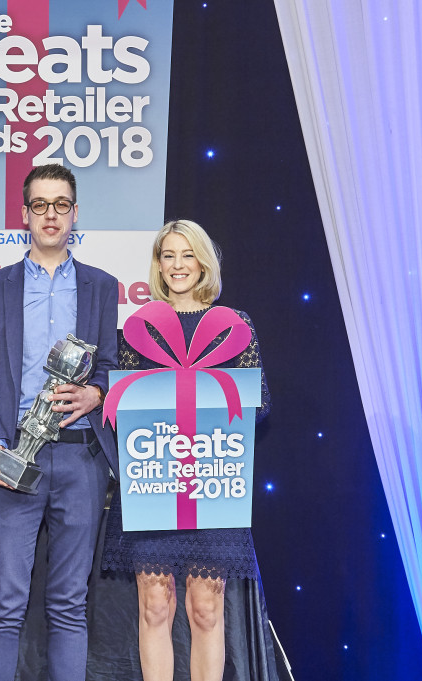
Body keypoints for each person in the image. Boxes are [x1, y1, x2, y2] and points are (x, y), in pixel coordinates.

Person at [0, 164, 119, 681]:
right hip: (14, 459)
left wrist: (97, 392)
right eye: (40, 205)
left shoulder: (102, 286)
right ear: (24, 213)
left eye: (62, 204)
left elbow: (115, 367)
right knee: (4, 604)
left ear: (76, 213)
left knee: (70, 605)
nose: (51, 215)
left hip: (81, 458)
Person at [101, 220, 273, 681]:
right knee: (156, 606)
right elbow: (123, 405)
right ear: (158, 265)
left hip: (211, 481)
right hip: (154, 478)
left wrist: (203, 422)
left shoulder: (234, 325)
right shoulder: (140, 327)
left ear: (203, 262)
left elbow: (259, 403)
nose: (178, 265)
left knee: (205, 608)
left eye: (187, 255)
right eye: (168, 256)